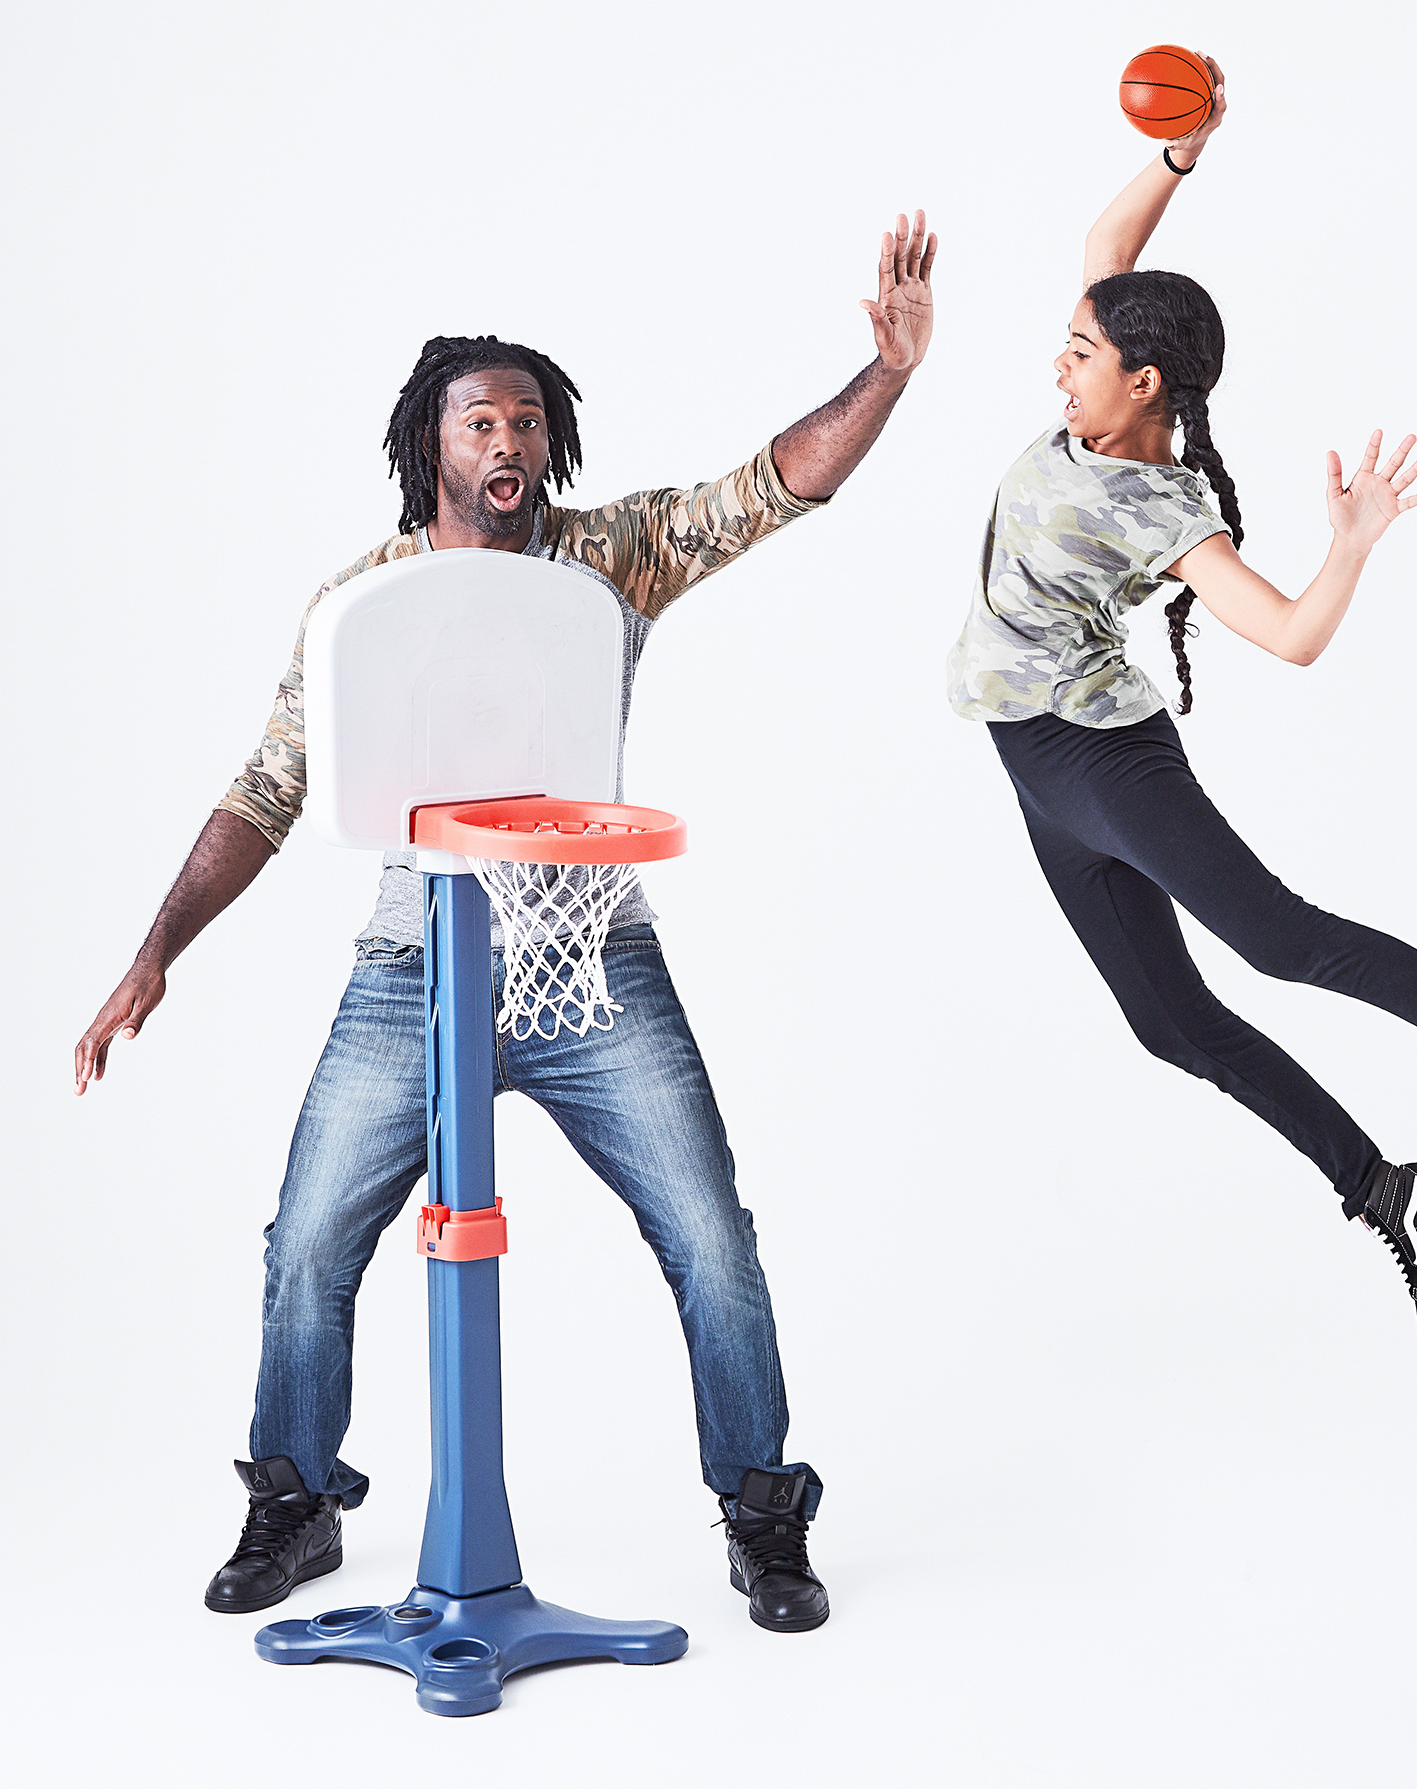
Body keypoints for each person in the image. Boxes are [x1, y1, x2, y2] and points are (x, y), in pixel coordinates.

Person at [74, 210, 938, 1630]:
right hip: (412, 967)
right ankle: (294, 1502)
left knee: (710, 1233)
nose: (510, 440)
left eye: (529, 419)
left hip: (590, 958)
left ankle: (761, 1509)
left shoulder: (609, 562)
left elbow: (768, 488)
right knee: (306, 1241)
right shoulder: (359, 606)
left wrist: (887, 377)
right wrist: (153, 953)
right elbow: (268, 789)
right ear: (435, 447)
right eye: (482, 419)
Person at [947, 63, 1417, 1344]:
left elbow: (1284, 635)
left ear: (1147, 386)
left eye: (1082, 356)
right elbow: (1109, 246)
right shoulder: (1097, 394)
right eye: (1066, 346)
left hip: (1108, 767)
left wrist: (1350, 545)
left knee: (1284, 941)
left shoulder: (1166, 509)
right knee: (1170, 1024)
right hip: (1038, 775)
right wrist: (1182, 151)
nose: (1057, 369)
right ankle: (1389, 1192)